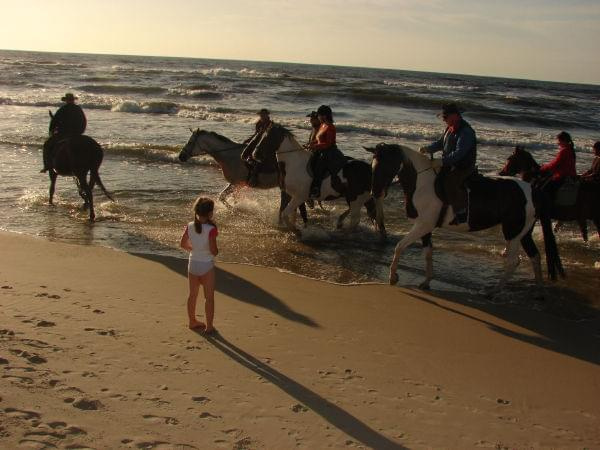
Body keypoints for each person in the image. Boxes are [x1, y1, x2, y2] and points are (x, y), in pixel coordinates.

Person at [420, 103, 477, 224]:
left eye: (445, 117)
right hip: (450, 163)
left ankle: (461, 212)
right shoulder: (450, 128)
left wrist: (442, 161)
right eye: (443, 117)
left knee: (450, 182)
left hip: (463, 166)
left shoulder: (466, 132)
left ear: (455, 116)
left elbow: (459, 153)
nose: (443, 119)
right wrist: (428, 149)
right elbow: (440, 143)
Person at [179, 197, 219, 333]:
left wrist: (194, 250)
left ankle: (192, 321)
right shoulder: (211, 229)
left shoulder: (189, 226)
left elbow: (183, 244)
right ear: (210, 213)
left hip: (193, 264)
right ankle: (209, 326)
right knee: (209, 298)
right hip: (206, 266)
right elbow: (214, 251)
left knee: (192, 295)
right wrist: (210, 251)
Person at [41, 93, 87, 172]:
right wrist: (80, 132)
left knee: (47, 145)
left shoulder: (63, 109)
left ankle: (47, 166)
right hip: (77, 134)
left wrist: (51, 131)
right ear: (73, 100)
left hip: (63, 134)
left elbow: (54, 122)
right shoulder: (78, 109)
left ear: (66, 101)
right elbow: (84, 121)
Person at [308, 105, 345, 199]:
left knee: (318, 168)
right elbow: (319, 139)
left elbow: (327, 144)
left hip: (329, 152)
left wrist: (314, 146)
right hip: (320, 150)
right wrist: (311, 143)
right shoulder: (322, 125)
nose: (318, 117)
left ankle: (316, 188)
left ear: (324, 116)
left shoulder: (330, 127)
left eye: (319, 115)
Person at [539, 131, 577, 199]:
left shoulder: (564, 151)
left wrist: (543, 168)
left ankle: (550, 206)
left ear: (564, 141)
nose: (558, 143)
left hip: (564, 176)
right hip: (570, 175)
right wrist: (546, 166)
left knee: (544, 188)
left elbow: (556, 163)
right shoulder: (570, 149)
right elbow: (556, 162)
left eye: (559, 141)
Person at [241, 108, 273, 186]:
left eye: (263, 115)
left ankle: (255, 177)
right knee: (246, 155)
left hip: (267, 144)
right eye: (261, 115)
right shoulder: (258, 123)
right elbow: (256, 134)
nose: (262, 116)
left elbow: (269, 137)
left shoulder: (271, 124)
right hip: (258, 142)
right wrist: (248, 140)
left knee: (258, 158)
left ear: (267, 115)